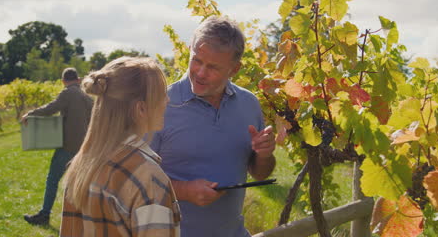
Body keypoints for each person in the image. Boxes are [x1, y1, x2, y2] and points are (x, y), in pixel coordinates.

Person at [151, 16, 276, 237]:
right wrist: (185, 191)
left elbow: (259, 173)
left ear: (234, 69)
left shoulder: (249, 105)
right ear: (190, 50)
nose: (200, 72)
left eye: (213, 67)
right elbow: (134, 180)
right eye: (196, 60)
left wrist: (264, 155)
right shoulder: (159, 105)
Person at [60, 57, 180, 236]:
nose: (167, 101)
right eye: (162, 94)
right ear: (141, 109)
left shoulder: (81, 166)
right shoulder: (148, 179)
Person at [22, 67, 94, 225]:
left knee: (53, 179)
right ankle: (83, 217)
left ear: (63, 81)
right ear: (79, 79)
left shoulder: (68, 93)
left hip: (68, 146)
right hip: (84, 147)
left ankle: (44, 215)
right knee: (79, 183)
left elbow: (51, 109)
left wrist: (30, 114)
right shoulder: (86, 96)